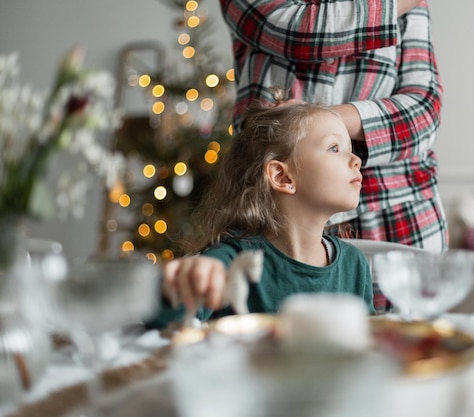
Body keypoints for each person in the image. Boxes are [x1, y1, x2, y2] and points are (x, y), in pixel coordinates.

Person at [218, 0, 447, 255]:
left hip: (399, 214)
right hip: (278, 217)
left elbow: (424, 116)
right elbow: (302, 32)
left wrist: (316, 122)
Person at [147, 92, 373, 328]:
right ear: (282, 176)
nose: (356, 159)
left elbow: (371, 348)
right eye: (335, 148)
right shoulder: (231, 261)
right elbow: (163, 324)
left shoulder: (354, 265)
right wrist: (179, 286)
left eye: (350, 148)